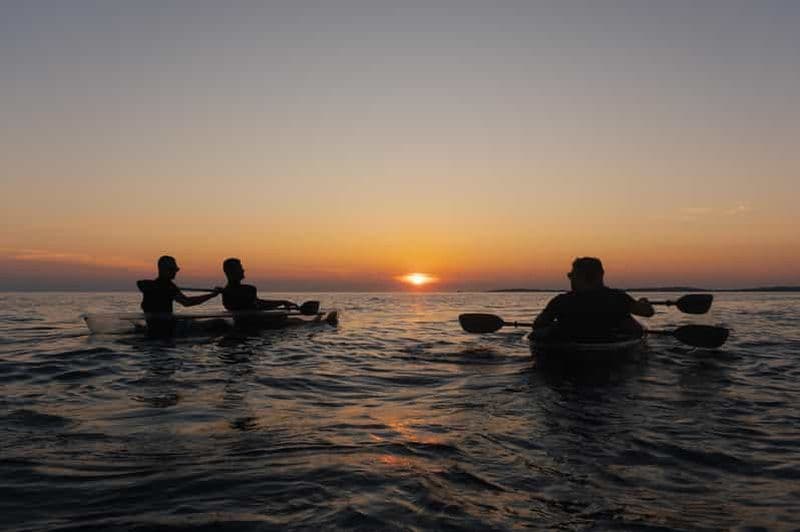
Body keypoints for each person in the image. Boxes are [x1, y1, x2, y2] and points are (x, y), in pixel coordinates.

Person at [532, 257, 654, 339]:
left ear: (579, 277)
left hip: (569, 349)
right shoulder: (618, 298)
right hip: (610, 350)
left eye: (571, 275)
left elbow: (538, 325)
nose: (570, 278)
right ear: (600, 276)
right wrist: (643, 303)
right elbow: (648, 312)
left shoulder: (560, 302)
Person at [137, 255, 221, 337]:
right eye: (172, 269)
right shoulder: (162, 286)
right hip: (168, 329)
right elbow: (187, 302)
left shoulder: (163, 286)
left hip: (157, 328)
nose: (175, 272)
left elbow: (141, 284)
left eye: (176, 269)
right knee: (219, 323)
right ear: (162, 269)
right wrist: (212, 295)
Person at [221, 258, 298, 311]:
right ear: (230, 272)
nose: (243, 270)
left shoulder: (226, 292)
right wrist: (282, 302)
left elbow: (257, 304)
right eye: (239, 268)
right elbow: (259, 305)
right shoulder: (248, 289)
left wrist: (282, 302)